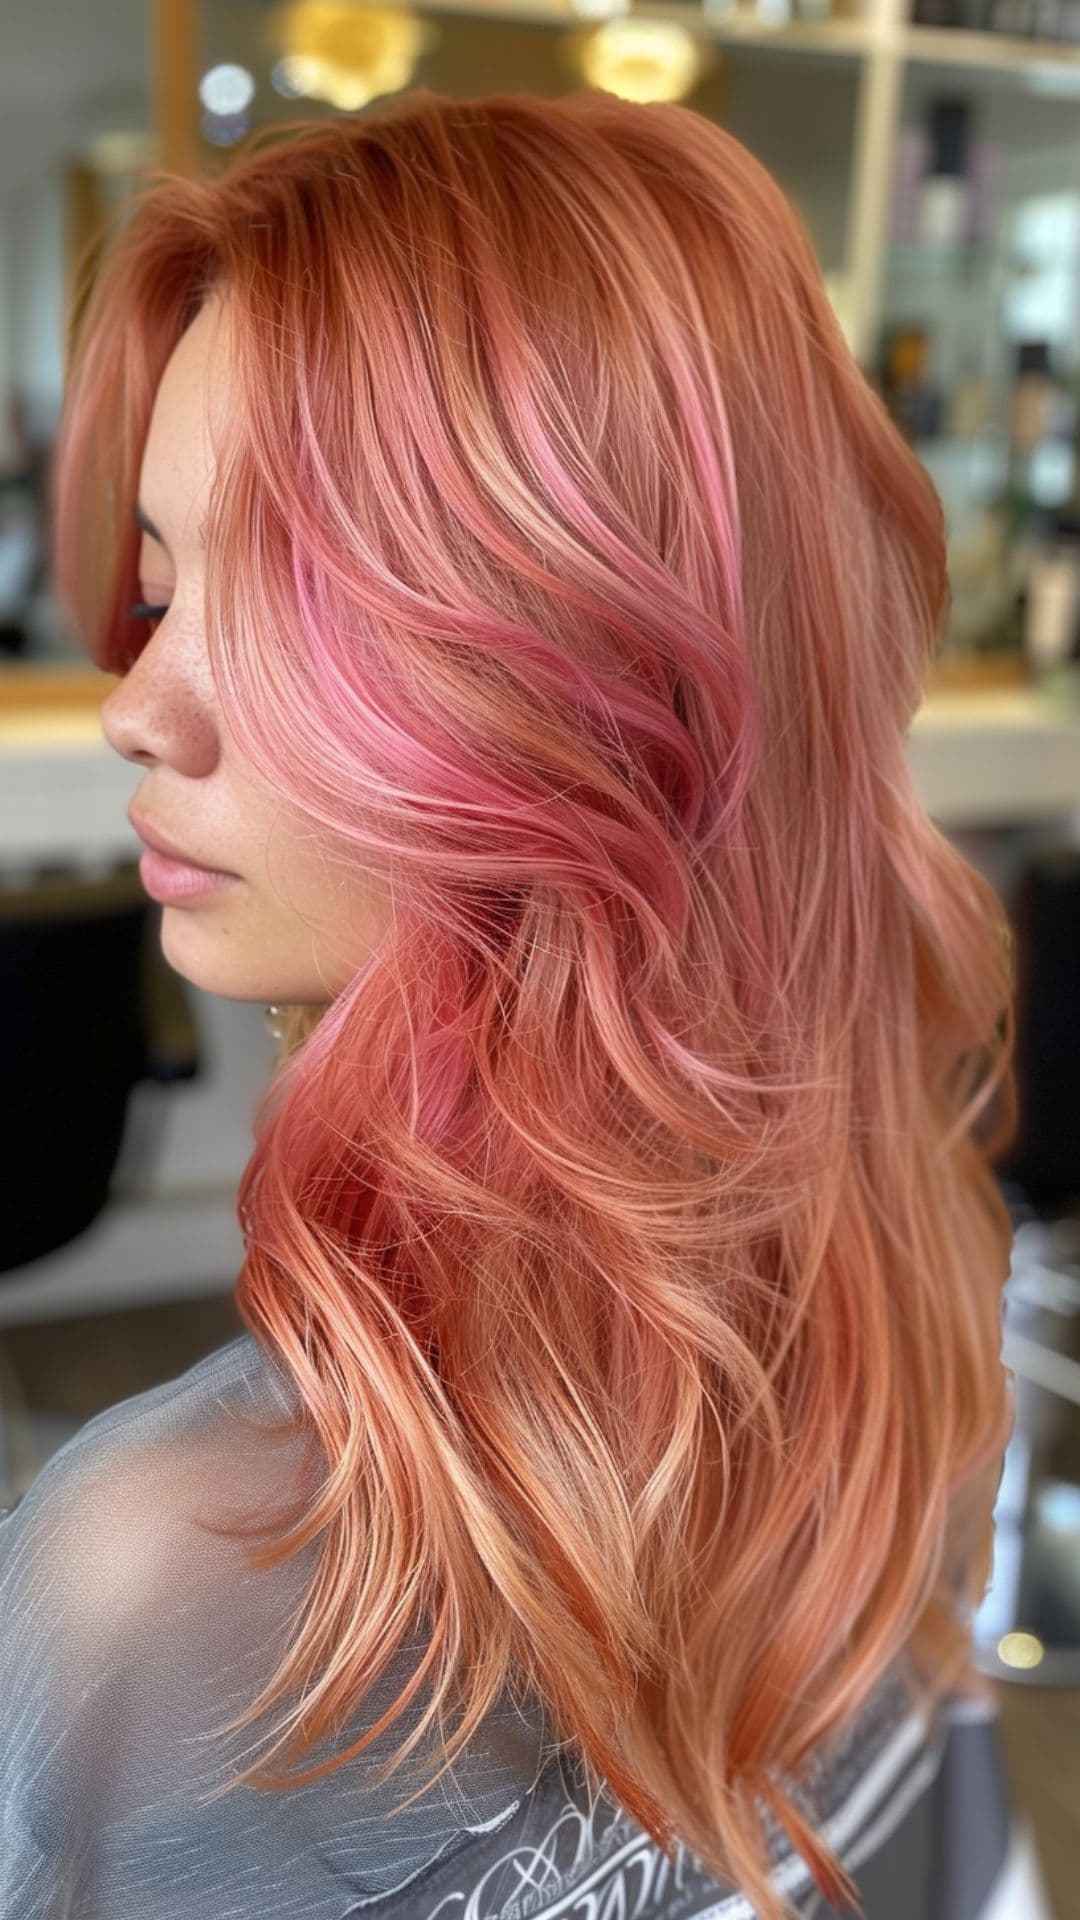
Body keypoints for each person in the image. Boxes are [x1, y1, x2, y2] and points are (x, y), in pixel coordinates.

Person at [0, 89, 1053, 1920]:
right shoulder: (926, 1257)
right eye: (160, 593)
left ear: (592, 663)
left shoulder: (162, 1584)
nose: (140, 706)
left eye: (291, 599)